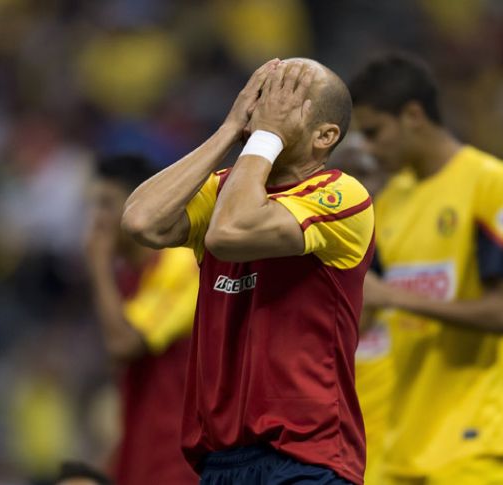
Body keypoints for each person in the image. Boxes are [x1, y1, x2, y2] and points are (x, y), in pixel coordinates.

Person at [122, 58, 373, 485]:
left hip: (308, 457)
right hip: (221, 461)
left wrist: (266, 137)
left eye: (289, 98)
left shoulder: (342, 195)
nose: (268, 106)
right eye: (264, 93)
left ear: (325, 135)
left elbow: (230, 231)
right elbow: (141, 221)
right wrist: (227, 132)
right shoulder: (228, 187)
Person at [349, 52, 503, 485]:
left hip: (473, 440)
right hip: (401, 447)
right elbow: (368, 313)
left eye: (374, 133)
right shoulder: (389, 203)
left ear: (413, 115)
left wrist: (392, 296)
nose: (369, 150)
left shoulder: (490, 181)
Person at [85, 154, 200, 485]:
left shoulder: (180, 265)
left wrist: (97, 265)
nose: (97, 220)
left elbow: (123, 344)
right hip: (142, 452)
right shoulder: (129, 278)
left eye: (106, 205)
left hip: (178, 460)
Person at [330, 135, 393, 485]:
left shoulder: (402, 241)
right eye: (347, 173)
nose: (357, 187)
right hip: (334, 440)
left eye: (367, 174)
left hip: (396, 441)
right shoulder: (310, 246)